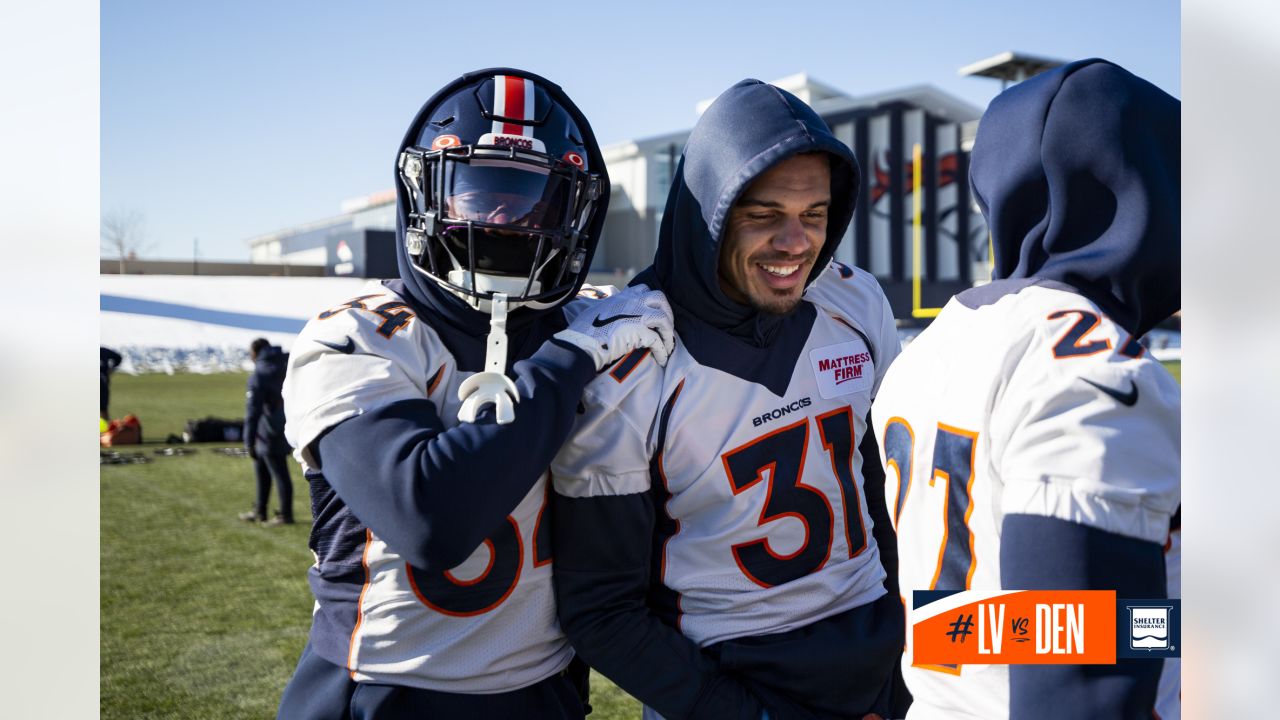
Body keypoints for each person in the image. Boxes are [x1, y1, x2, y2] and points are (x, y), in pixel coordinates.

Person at [275, 68, 674, 719]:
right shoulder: (359, 333)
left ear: (576, 207)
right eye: (479, 191)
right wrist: (565, 364)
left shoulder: (596, 322)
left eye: (534, 197)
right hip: (386, 692)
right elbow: (429, 518)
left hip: (542, 691)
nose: (506, 218)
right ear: (425, 191)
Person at [551, 79, 906, 719]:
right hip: (731, 677)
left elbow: (886, 493)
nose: (796, 243)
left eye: (815, 215)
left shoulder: (855, 301)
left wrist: (901, 656)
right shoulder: (631, 355)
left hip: (875, 662)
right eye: (764, 215)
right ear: (709, 213)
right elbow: (601, 608)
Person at [869, 58, 1180, 719]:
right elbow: (1077, 668)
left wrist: (1166, 627)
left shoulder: (936, 346)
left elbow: (980, 623)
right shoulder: (1087, 363)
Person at [239, 338, 295, 525]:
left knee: (278, 470)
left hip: (267, 429)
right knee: (263, 467)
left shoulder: (259, 374)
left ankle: (285, 514)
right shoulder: (287, 362)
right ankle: (260, 509)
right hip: (288, 422)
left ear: (255, 353)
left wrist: (248, 439)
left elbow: (252, 411)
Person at [100, 346, 122, 421]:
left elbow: (118, 357)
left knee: (103, 409)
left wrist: (112, 368)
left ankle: (106, 430)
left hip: (103, 385)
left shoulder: (103, 351)